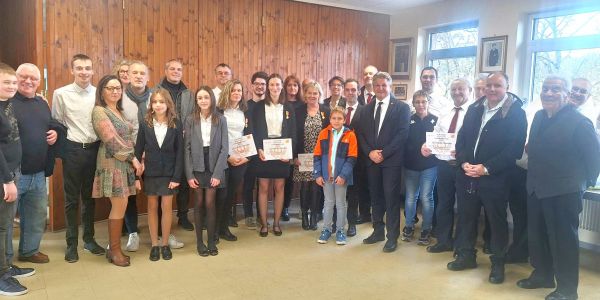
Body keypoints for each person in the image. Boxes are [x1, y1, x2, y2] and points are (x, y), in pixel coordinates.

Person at [517, 76, 600, 300]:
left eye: (556, 89)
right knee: (537, 236)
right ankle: (542, 275)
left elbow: (594, 160)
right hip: (536, 188)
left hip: (564, 192)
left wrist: (580, 186)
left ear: (566, 94)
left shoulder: (580, 122)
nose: (549, 93)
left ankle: (567, 289)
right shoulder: (538, 116)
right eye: (545, 89)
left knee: (564, 241)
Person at [447, 72, 527, 285]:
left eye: (497, 86)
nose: (492, 89)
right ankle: (466, 256)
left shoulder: (516, 113)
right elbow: (462, 139)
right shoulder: (474, 109)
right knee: (466, 217)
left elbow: (514, 149)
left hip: (495, 178)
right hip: (467, 174)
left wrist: (486, 168)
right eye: (488, 85)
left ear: (507, 87)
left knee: (497, 222)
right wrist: (464, 162)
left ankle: (498, 264)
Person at [52, 54, 106, 262]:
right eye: (79, 68)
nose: (84, 72)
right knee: (72, 199)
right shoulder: (61, 94)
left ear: (93, 71)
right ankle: (71, 243)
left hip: (95, 150)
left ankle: (89, 240)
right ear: (72, 70)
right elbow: (57, 122)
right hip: (73, 150)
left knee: (90, 198)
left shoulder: (98, 94)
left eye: (87, 68)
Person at [6, 63, 56, 265]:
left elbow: (51, 124)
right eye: (23, 77)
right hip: (13, 174)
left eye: (33, 78)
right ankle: (5, 261)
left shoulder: (42, 103)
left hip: (38, 172)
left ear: (39, 82)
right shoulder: (6, 103)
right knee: (7, 222)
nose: (28, 81)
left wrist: (56, 132)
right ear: (15, 78)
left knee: (36, 217)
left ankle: (29, 250)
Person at [91, 75, 143, 267]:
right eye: (110, 88)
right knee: (119, 206)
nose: (115, 91)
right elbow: (111, 140)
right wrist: (133, 158)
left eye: (118, 88)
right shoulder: (99, 111)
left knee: (121, 206)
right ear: (101, 91)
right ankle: (114, 251)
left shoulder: (118, 110)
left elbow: (127, 138)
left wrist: (132, 160)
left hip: (124, 163)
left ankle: (112, 249)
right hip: (112, 163)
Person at [358, 72, 410, 253]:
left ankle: (392, 236)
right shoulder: (365, 109)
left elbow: (402, 135)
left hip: (391, 162)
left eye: (384, 85)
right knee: (376, 197)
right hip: (372, 161)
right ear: (372, 86)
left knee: (391, 198)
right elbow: (361, 135)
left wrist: (384, 153)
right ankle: (378, 231)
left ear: (390, 86)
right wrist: (369, 152)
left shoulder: (402, 108)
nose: (380, 88)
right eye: (377, 85)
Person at [421, 78, 472, 253]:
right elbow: (436, 134)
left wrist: (462, 153)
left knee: (465, 208)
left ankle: (461, 245)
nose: (457, 92)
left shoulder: (474, 112)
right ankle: (443, 241)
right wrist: (426, 145)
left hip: (463, 166)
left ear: (469, 90)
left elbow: (476, 141)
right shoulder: (445, 111)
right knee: (444, 203)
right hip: (443, 164)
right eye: (453, 89)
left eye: (461, 89)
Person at [134, 88, 183, 261]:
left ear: (168, 104)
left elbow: (180, 153)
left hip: (169, 174)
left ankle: (164, 244)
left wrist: (177, 177)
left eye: (161, 102)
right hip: (152, 173)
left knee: (167, 207)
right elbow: (138, 151)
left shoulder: (176, 123)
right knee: (152, 207)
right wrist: (135, 176)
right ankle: (155, 244)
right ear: (151, 105)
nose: (158, 105)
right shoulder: (145, 123)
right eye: (155, 102)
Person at [0, 63, 33, 296]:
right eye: (6, 82)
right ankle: (1, 277)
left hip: (13, 172)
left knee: (7, 224)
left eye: (13, 82)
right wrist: (7, 179)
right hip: (4, 176)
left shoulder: (8, 105)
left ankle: (6, 266)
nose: (12, 86)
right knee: (1, 227)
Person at [185, 86, 228, 257]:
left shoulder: (220, 119)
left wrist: (218, 174)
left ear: (211, 99)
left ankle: (211, 241)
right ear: (196, 101)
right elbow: (187, 148)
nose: (203, 100)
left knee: (210, 204)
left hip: (214, 164)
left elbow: (225, 148)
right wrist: (189, 175)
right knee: (198, 203)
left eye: (206, 97)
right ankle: (199, 242)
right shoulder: (190, 119)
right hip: (197, 165)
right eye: (200, 98)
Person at [252, 73, 297, 237]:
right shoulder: (257, 107)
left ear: (281, 87)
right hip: (264, 150)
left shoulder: (288, 107)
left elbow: (292, 131)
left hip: (282, 151)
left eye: (278, 84)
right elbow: (253, 130)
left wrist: (290, 153)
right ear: (268, 87)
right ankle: (264, 224)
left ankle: (276, 223)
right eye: (272, 84)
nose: (275, 87)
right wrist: (258, 149)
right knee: (263, 187)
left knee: (279, 187)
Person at [156, 59, 195, 233]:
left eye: (179, 69)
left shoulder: (188, 93)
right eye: (172, 69)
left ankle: (183, 216)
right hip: (162, 141)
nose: (176, 72)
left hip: (184, 141)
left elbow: (193, 115)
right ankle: (160, 218)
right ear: (166, 70)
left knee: (184, 182)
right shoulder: (157, 91)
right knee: (164, 181)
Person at [314, 106, 358, 245]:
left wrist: (343, 175)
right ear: (330, 119)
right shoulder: (323, 133)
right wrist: (318, 174)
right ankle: (326, 229)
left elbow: (352, 158)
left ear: (345, 120)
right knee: (328, 203)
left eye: (340, 118)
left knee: (340, 204)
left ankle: (340, 230)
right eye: (334, 118)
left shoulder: (350, 135)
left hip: (341, 177)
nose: (336, 121)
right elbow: (317, 156)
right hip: (326, 176)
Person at [216, 79, 251, 242]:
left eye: (239, 90)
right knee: (220, 195)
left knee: (230, 195)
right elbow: (214, 137)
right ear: (227, 92)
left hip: (240, 159)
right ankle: (215, 229)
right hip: (222, 158)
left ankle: (224, 228)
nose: (237, 93)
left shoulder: (245, 111)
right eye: (233, 90)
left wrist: (246, 157)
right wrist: (227, 157)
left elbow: (250, 135)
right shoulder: (218, 111)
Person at [121, 60, 151, 252]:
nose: (139, 76)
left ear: (147, 77)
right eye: (135, 73)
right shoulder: (119, 98)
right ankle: (132, 232)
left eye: (142, 73)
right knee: (130, 194)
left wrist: (147, 155)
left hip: (152, 153)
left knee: (156, 191)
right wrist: (133, 157)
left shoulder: (155, 97)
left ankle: (158, 231)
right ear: (128, 76)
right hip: (127, 153)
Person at [401, 90, 438, 246]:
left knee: (426, 198)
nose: (421, 105)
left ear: (428, 102)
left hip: (430, 166)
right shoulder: (408, 121)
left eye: (424, 101)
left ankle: (426, 229)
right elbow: (403, 141)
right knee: (410, 197)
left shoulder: (436, 121)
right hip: (411, 166)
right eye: (417, 102)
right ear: (414, 104)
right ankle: (409, 226)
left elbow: (441, 142)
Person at [293, 81, 330, 230]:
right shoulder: (298, 111)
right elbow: (294, 135)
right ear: (305, 95)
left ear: (320, 95)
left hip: (319, 155)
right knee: (305, 186)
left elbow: (329, 134)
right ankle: (304, 214)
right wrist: (294, 156)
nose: (312, 95)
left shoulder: (326, 111)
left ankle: (314, 214)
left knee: (317, 186)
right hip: (303, 155)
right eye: (309, 93)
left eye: (315, 93)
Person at [242, 71, 268, 229]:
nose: (260, 87)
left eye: (263, 84)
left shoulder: (270, 106)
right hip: (249, 151)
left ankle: (261, 214)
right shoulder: (245, 106)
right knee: (248, 184)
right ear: (252, 86)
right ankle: (248, 214)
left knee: (263, 185)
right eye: (257, 84)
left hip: (266, 151)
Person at [341, 78, 365, 237]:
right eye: (348, 89)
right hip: (339, 158)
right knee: (339, 192)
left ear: (358, 92)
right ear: (344, 92)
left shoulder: (366, 110)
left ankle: (352, 223)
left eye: (353, 90)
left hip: (358, 158)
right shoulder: (337, 110)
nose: (350, 92)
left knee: (354, 192)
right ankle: (337, 222)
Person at [282, 75, 304, 222]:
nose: (292, 88)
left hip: (300, 146)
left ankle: (300, 208)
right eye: (289, 85)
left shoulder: (303, 105)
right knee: (285, 180)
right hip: (284, 147)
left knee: (299, 181)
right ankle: (284, 208)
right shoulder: (281, 104)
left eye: (295, 85)